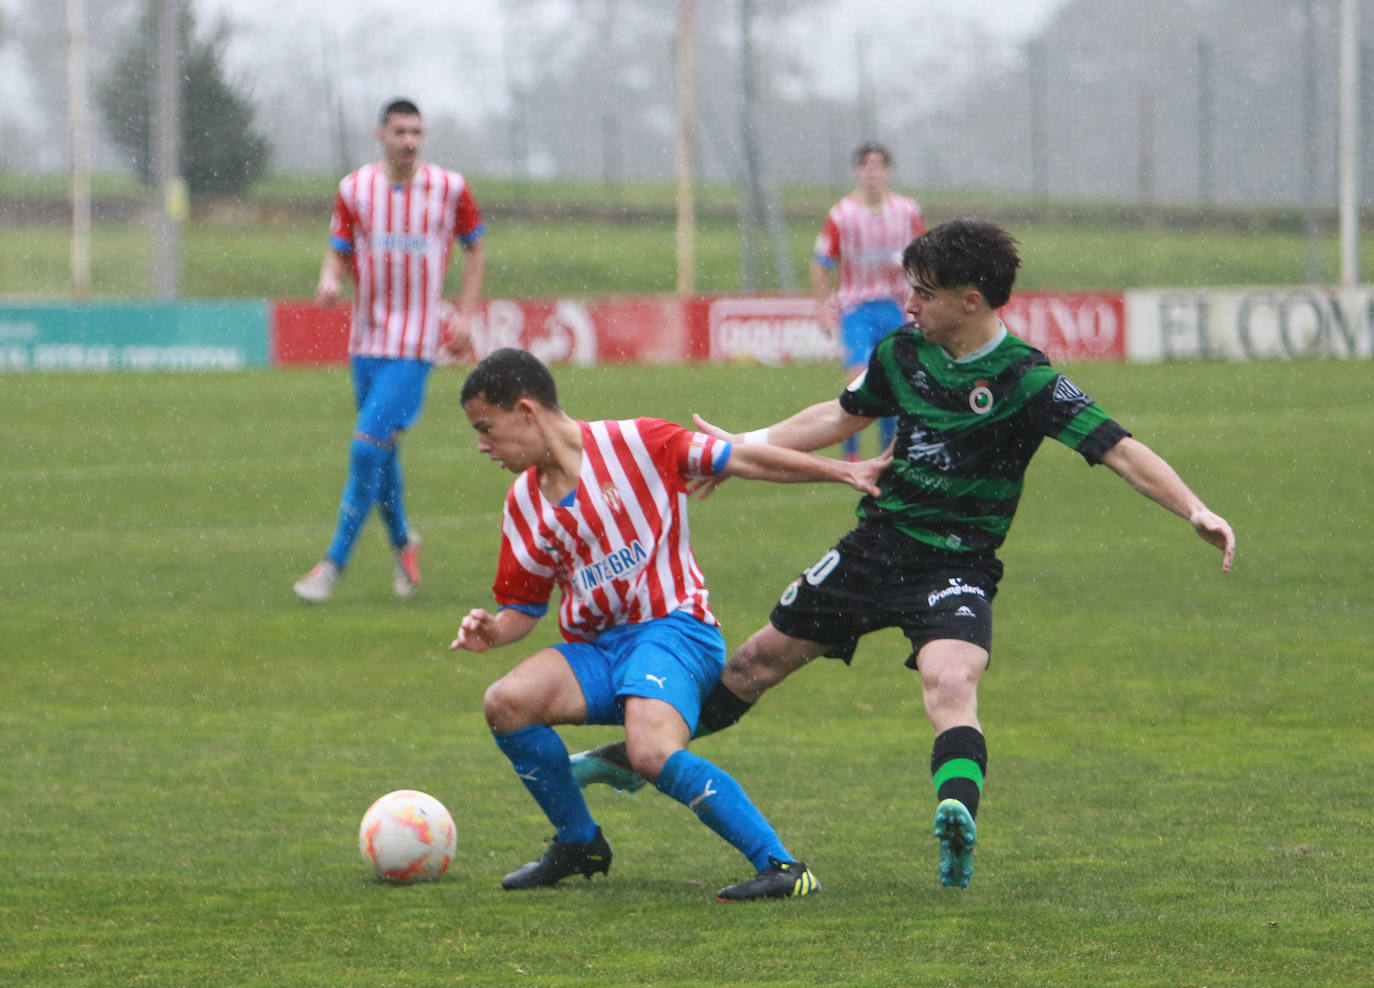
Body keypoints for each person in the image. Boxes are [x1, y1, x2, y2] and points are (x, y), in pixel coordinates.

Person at [571, 218, 1236, 892]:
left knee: (951, 682)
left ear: (970, 300)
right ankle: (635, 759)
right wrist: (739, 449)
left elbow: (1119, 447)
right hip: (875, 549)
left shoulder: (1027, 380)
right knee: (750, 665)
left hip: (957, 564)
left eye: (923, 293)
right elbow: (840, 415)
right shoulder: (903, 352)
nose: (909, 305)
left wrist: (1195, 508)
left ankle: (956, 817)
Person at [450, 348, 890, 901]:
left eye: (487, 428)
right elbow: (524, 608)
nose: (482, 446)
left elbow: (744, 458)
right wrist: (493, 630)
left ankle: (783, 866)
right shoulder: (522, 504)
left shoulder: (639, 443)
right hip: (601, 652)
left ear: (527, 410)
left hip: (675, 630)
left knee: (650, 751)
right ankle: (580, 842)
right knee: (505, 702)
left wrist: (841, 470)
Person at [294, 97, 486, 603]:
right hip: (366, 340)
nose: (409, 141)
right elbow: (338, 249)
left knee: (365, 446)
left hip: (416, 344)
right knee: (381, 453)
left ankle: (332, 566)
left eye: (417, 132)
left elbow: (475, 246)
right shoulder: (354, 190)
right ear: (381, 134)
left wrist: (464, 313)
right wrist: (329, 279)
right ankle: (404, 543)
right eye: (400, 131)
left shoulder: (449, 188)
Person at [812, 141, 926, 461]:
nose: (872, 173)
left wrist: (907, 263)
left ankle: (886, 455)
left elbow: (925, 256)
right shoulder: (842, 214)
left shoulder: (907, 211)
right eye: (866, 166)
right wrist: (823, 309)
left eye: (878, 166)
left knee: (892, 382)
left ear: (888, 171)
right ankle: (851, 455)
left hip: (898, 307)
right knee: (858, 378)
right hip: (856, 309)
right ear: (857, 171)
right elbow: (820, 261)